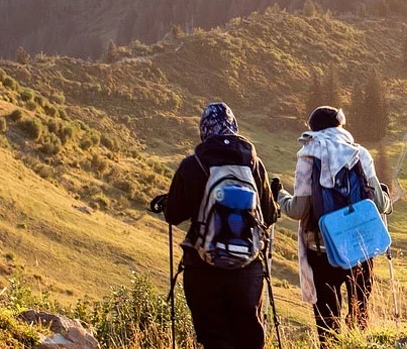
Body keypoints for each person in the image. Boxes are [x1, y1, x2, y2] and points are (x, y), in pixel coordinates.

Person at [158, 103, 279, 349]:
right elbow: (268, 215)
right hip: (247, 269)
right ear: (233, 127)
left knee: (214, 339)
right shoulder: (254, 164)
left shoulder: (192, 165)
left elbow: (173, 215)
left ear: (204, 130)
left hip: (202, 267)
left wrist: (166, 202)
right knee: (249, 337)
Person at [272, 106, 390, 346]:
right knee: (360, 317)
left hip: (322, 249)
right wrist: (386, 198)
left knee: (328, 324)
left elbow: (298, 210)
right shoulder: (360, 154)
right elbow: (379, 203)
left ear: (313, 130)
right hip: (360, 248)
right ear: (340, 126)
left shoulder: (308, 156)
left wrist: (279, 194)